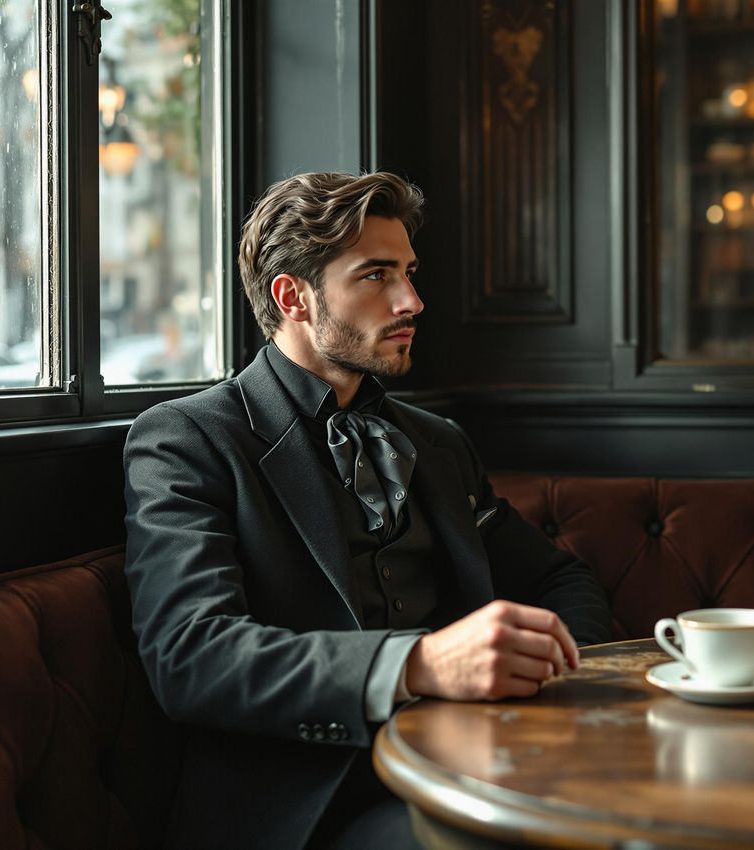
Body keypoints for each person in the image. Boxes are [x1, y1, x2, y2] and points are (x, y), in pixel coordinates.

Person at [122, 171, 612, 850]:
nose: (412, 299)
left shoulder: (437, 442)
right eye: (376, 275)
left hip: (475, 766)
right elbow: (192, 656)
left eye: (409, 272)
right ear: (292, 297)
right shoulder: (188, 438)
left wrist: (545, 687)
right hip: (305, 809)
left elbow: (564, 581)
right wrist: (419, 665)